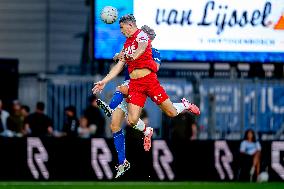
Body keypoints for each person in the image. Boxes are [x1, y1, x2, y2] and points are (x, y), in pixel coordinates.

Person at [93, 14, 200, 177]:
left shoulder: (141, 35)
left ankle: (184, 104)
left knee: (170, 112)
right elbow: (118, 66)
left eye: (122, 28)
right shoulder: (127, 43)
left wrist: (131, 56)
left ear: (130, 25)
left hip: (149, 81)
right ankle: (147, 130)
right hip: (135, 85)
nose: (121, 31)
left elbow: (142, 47)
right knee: (132, 120)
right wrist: (104, 81)